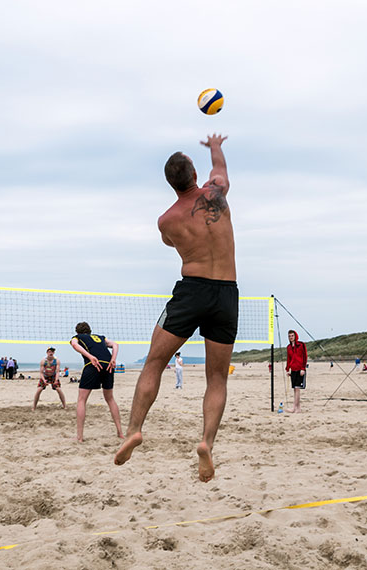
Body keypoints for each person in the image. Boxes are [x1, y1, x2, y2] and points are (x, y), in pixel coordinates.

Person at [115, 134, 234, 482]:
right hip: (226, 293)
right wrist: (214, 145)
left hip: (191, 291)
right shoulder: (216, 195)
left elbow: (171, 243)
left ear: (170, 183)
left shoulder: (166, 220)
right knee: (216, 377)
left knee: (155, 362)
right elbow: (222, 170)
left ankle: (134, 430)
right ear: (196, 173)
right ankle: (206, 443)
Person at [71, 322, 123, 442]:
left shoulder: (78, 337)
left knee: (81, 400)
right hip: (108, 365)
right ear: (90, 330)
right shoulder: (100, 337)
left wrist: (90, 356)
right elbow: (115, 344)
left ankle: (79, 437)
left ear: (77, 332)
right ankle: (120, 432)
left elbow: (74, 345)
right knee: (110, 399)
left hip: (93, 364)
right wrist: (113, 359)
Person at [285, 330, 307, 413]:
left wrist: (303, 368)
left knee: (297, 388)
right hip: (293, 369)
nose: (291, 337)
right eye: (289, 336)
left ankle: (296, 408)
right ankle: (296, 407)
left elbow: (304, 357)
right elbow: (289, 358)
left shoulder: (301, 345)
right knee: (294, 388)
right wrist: (288, 369)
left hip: (299, 369)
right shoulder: (288, 347)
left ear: (295, 336)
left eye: (292, 336)